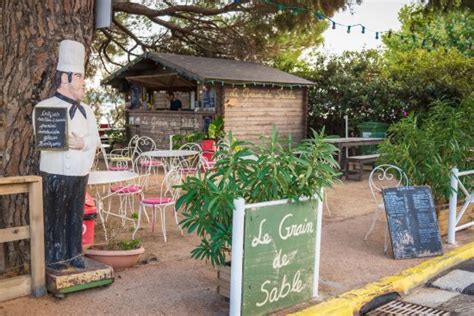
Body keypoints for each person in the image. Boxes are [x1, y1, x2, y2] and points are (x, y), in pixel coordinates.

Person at [34, 40, 100, 270]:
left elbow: (96, 139)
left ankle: (74, 254)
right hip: (55, 173)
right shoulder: (45, 107)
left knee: (75, 215)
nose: (83, 82)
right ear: (65, 78)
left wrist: (83, 142)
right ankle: (54, 258)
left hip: (80, 172)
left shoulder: (88, 112)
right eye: (79, 77)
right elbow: (44, 138)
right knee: (54, 216)